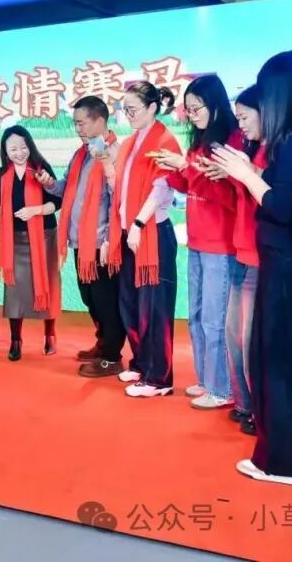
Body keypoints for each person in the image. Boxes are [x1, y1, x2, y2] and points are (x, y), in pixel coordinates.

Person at [211, 50, 292, 486]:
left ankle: (283, 462)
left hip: (289, 259)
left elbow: (282, 205)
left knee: (279, 358)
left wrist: (245, 172)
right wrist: (249, 170)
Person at [153, 75, 240, 410]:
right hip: (197, 242)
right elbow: (191, 186)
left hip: (221, 244)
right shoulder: (199, 142)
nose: (191, 115)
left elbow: (225, 194)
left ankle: (222, 388)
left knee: (215, 321)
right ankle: (206, 379)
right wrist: (173, 169)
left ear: (215, 105)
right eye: (187, 110)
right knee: (197, 316)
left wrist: (185, 167)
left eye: (196, 108)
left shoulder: (230, 141)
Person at [37, 95, 125, 377]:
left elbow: (117, 201)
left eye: (81, 123)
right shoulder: (81, 154)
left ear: (100, 120)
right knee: (90, 299)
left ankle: (111, 357)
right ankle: (103, 343)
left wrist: (109, 240)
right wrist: (50, 184)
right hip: (80, 242)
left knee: (106, 301)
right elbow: (66, 188)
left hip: (101, 244)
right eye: (75, 124)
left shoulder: (113, 153)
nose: (77, 129)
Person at [105, 82, 181, 398]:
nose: (128, 115)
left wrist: (138, 222)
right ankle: (141, 363)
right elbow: (121, 189)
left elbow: (162, 187)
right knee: (131, 304)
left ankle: (159, 378)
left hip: (152, 233)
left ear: (152, 107)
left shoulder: (165, 140)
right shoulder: (130, 142)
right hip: (128, 233)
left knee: (155, 307)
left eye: (133, 109)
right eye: (125, 110)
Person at [0, 126, 62, 361]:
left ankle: (50, 335)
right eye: (13, 149)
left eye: (23, 147)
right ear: (5, 151)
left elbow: (57, 202)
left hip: (44, 236)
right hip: (15, 241)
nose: (19, 152)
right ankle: (15, 340)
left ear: (30, 146)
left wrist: (36, 210)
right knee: (14, 291)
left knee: (48, 285)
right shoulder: (3, 176)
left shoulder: (42, 170)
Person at [223, 85, 265, 436]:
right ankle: (245, 403)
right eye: (237, 118)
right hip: (241, 251)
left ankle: (259, 411)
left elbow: (272, 201)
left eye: (244, 117)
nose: (241, 125)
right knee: (234, 334)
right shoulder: (249, 149)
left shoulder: (272, 153)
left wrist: (248, 172)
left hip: (258, 256)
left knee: (250, 340)